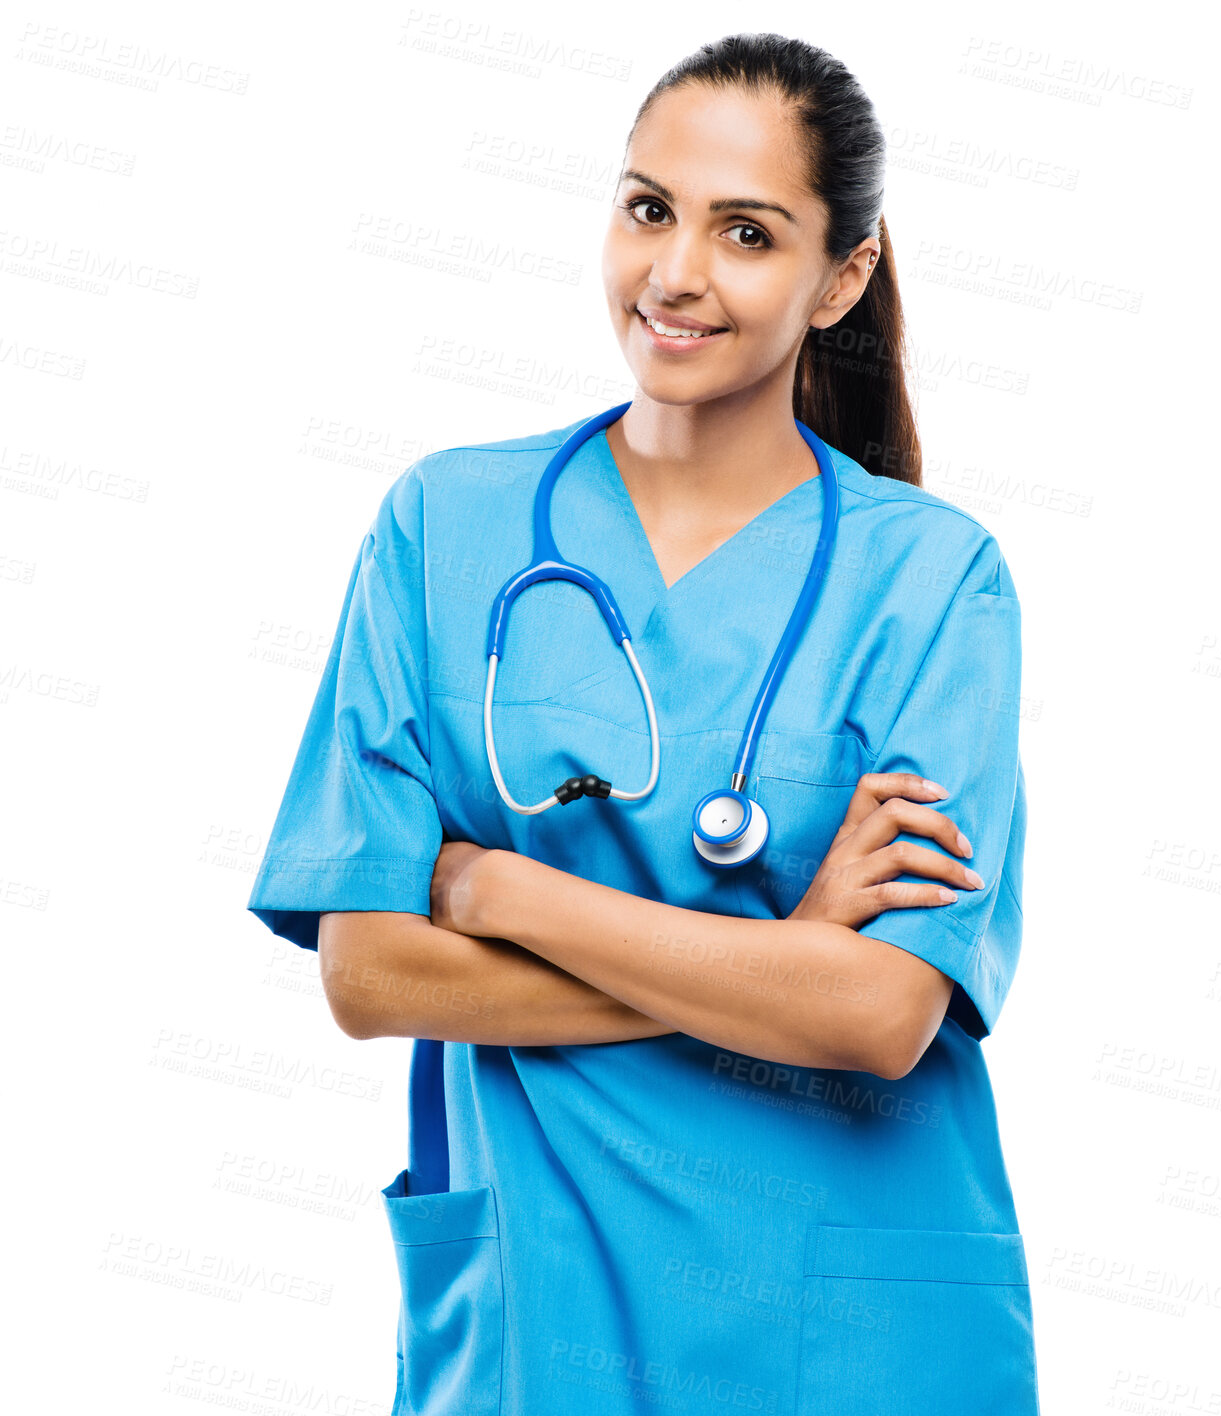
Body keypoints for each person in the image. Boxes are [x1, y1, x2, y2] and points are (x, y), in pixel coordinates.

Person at [248, 31, 1037, 1416]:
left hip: (851, 1336)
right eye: (649, 209)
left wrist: (492, 889)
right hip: (543, 1315)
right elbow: (372, 976)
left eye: (748, 232)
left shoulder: (931, 576)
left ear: (839, 278)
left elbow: (880, 1015)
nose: (676, 274)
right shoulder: (445, 527)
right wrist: (780, 962)